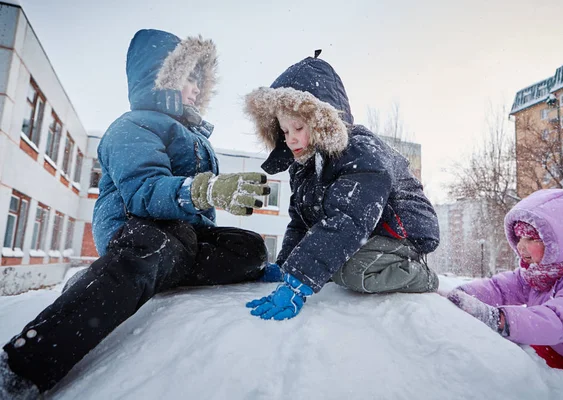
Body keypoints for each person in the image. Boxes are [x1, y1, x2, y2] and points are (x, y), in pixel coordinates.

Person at [0, 29, 270, 398]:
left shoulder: (198, 138)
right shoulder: (133, 126)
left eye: (198, 81)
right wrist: (202, 189)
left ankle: (140, 279)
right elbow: (144, 191)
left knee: (248, 247)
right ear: (162, 77)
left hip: (183, 239)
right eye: (187, 78)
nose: (194, 89)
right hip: (137, 228)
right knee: (154, 246)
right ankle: (22, 365)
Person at [243, 52, 440, 321]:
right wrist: (286, 265)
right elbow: (301, 223)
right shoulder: (304, 166)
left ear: (321, 120)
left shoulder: (361, 152)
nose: (290, 139)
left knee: (352, 271)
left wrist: (298, 282)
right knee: (336, 265)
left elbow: (348, 219)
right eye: (284, 132)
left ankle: (421, 275)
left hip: (402, 233)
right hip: (367, 233)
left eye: (298, 127)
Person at [446, 189, 563, 395]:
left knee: (525, 342)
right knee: (518, 352)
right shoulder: (540, 274)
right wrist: (458, 295)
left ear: (562, 243)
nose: (521, 247)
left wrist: (497, 318)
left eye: (530, 239)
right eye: (519, 238)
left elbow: (554, 321)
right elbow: (499, 288)